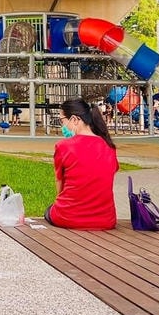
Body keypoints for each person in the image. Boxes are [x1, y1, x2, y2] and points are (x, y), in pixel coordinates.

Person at [43, 98, 118, 229]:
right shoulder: (109, 146)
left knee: (49, 211)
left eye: (62, 121)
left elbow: (59, 184)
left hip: (68, 217)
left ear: (74, 119)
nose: (63, 126)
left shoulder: (63, 146)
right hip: (106, 220)